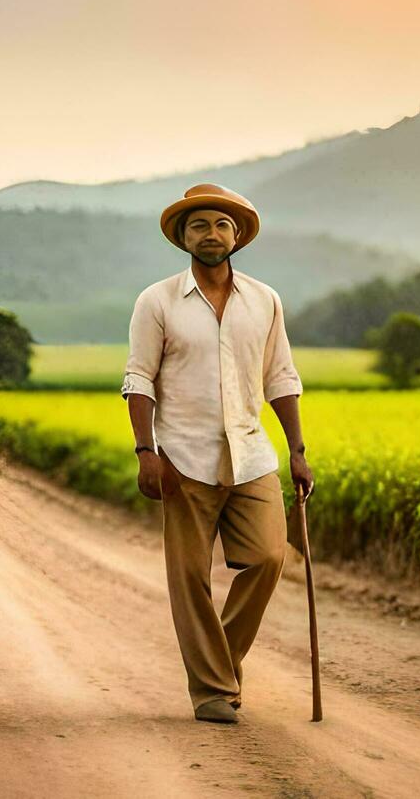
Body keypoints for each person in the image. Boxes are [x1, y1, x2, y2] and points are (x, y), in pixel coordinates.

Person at [121, 182, 312, 724]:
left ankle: (219, 664)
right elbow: (139, 377)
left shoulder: (265, 300)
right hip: (183, 459)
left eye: (221, 225)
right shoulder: (156, 301)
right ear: (183, 237)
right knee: (189, 576)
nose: (211, 234)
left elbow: (281, 377)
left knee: (270, 558)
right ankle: (212, 691)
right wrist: (146, 451)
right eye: (199, 225)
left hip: (252, 455)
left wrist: (297, 451)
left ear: (237, 236)